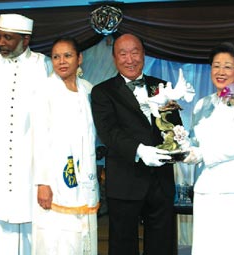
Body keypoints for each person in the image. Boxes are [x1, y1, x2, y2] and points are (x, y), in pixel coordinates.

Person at [90, 33, 181, 255]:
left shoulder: (161, 86)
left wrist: (179, 141)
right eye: (123, 53)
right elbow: (109, 132)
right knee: (123, 245)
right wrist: (140, 150)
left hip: (161, 181)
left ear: (143, 54)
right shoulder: (102, 92)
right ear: (114, 58)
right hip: (125, 180)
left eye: (135, 52)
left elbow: (174, 125)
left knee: (162, 244)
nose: (130, 59)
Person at [0, 13, 48, 255]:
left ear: (25, 40)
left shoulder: (43, 64)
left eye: (8, 38)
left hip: (30, 155)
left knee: (31, 218)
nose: (1, 43)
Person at [183, 42, 234, 254]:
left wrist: (202, 154)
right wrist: (180, 144)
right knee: (208, 245)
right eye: (216, 65)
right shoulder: (202, 103)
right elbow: (195, 140)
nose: (220, 71)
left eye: (227, 66)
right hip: (206, 187)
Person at [32, 37, 99, 255]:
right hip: (54, 179)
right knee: (56, 239)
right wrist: (42, 182)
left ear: (79, 58)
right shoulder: (44, 90)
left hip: (85, 175)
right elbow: (39, 137)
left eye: (68, 55)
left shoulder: (88, 90)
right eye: (56, 57)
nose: (62, 61)